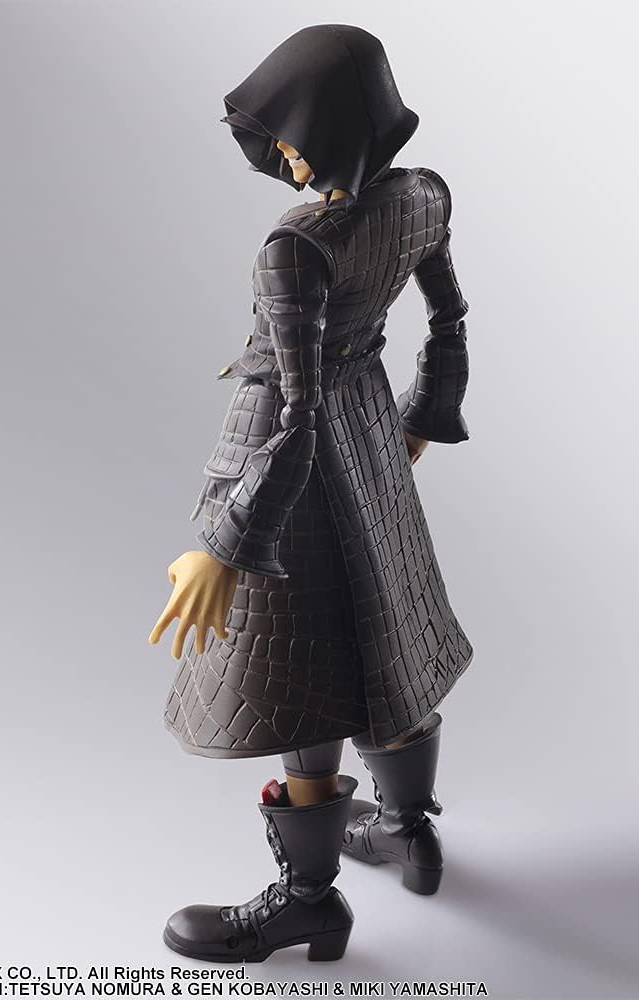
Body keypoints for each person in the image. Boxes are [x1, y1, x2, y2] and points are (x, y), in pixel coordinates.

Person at [149, 24, 473, 963]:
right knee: (388, 622)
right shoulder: (423, 196)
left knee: (307, 671)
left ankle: (307, 900)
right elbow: (449, 317)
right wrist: (423, 414)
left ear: (334, 120)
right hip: (368, 422)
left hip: (301, 455)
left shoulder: (297, 245)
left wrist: (225, 542)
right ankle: (409, 831)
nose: (284, 151)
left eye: (294, 130)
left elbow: (292, 418)